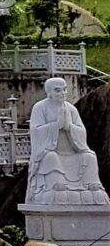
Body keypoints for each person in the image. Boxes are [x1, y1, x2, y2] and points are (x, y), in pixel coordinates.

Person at [26, 77, 108, 205]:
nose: (62, 93)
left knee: (89, 156)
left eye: (64, 90)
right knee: (51, 158)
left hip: (72, 153)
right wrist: (56, 125)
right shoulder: (40, 108)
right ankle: (55, 184)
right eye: (57, 91)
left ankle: (91, 186)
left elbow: (82, 131)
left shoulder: (71, 109)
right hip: (52, 152)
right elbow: (36, 131)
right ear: (49, 92)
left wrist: (69, 127)